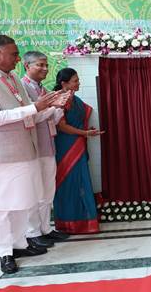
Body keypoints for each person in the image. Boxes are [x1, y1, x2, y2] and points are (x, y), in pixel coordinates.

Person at [0, 35, 66, 274]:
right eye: (13, 54)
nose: (18, 58)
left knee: (24, 201)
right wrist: (35, 107)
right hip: (0, 155)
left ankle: (20, 244)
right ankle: (5, 253)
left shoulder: (12, 78)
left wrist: (52, 106)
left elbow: (29, 117)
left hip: (25, 151)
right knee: (3, 207)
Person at [21, 51, 70, 247]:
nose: (45, 69)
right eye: (40, 65)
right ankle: (32, 233)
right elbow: (29, 117)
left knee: (47, 191)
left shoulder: (43, 89)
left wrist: (60, 107)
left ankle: (45, 229)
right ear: (27, 66)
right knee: (34, 191)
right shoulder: (22, 88)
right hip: (32, 148)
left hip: (48, 145)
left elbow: (52, 120)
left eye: (46, 65)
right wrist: (52, 107)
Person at [53, 68, 103, 234]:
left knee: (81, 180)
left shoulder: (76, 99)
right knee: (68, 182)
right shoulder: (60, 100)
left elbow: (80, 120)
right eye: (75, 80)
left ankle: (84, 220)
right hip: (66, 146)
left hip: (78, 143)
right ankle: (68, 222)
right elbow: (62, 126)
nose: (78, 83)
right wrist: (85, 133)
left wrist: (88, 131)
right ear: (64, 83)